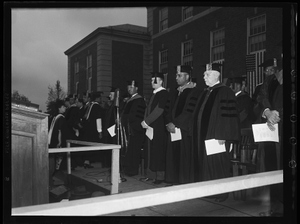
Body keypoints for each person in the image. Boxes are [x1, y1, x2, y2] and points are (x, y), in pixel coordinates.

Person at [192, 63, 240, 202]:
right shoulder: (206, 92)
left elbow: (229, 115)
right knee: (206, 163)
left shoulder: (225, 91)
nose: (203, 76)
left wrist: (223, 135)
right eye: (204, 74)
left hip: (217, 135)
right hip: (203, 134)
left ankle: (221, 193)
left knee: (217, 163)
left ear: (216, 75)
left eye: (207, 74)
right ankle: (208, 190)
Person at [256, 58, 283, 216]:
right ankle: (276, 209)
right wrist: (267, 111)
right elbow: (261, 97)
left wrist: (277, 113)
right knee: (273, 166)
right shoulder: (270, 80)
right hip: (272, 130)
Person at [165, 65, 199, 185]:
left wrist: (176, 123)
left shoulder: (194, 92)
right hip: (173, 129)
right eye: (176, 75)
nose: (176, 78)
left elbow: (190, 111)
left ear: (187, 76)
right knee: (173, 155)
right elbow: (168, 109)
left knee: (184, 156)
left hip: (184, 130)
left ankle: (184, 181)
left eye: (179, 75)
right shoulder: (176, 92)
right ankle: (174, 179)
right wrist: (169, 122)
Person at [140, 72, 170, 184]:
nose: (152, 82)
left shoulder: (163, 93)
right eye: (151, 80)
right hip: (150, 127)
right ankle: (150, 175)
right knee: (150, 151)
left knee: (158, 152)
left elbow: (159, 110)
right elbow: (148, 110)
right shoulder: (154, 94)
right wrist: (145, 121)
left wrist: (146, 121)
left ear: (161, 81)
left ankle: (160, 177)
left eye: (154, 80)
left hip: (159, 127)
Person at [120, 80, 146, 176]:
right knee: (128, 149)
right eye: (128, 88)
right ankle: (127, 168)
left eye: (131, 87)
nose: (129, 89)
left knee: (133, 150)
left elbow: (138, 115)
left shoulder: (139, 100)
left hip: (135, 130)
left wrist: (128, 122)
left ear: (136, 88)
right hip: (127, 129)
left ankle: (132, 170)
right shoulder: (129, 100)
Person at [80, 91, 105, 168]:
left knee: (87, 146)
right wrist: (100, 131)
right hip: (93, 130)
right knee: (92, 145)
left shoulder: (89, 106)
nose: (101, 99)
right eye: (100, 97)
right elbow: (98, 119)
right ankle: (87, 162)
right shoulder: (97, 107)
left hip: (87, 129)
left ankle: (86, 161)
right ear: (97, 98)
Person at [48, 99, 67, 188]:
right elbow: (60, 131)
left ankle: (50, 181)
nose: (65, 108)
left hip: (50, 142)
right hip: (56, 142)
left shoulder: (54, 117)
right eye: (63, 107)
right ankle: (49, 184)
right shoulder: (61, 118)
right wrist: (59, 142)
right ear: (60, 108)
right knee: (52, 166)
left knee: (51, 162)